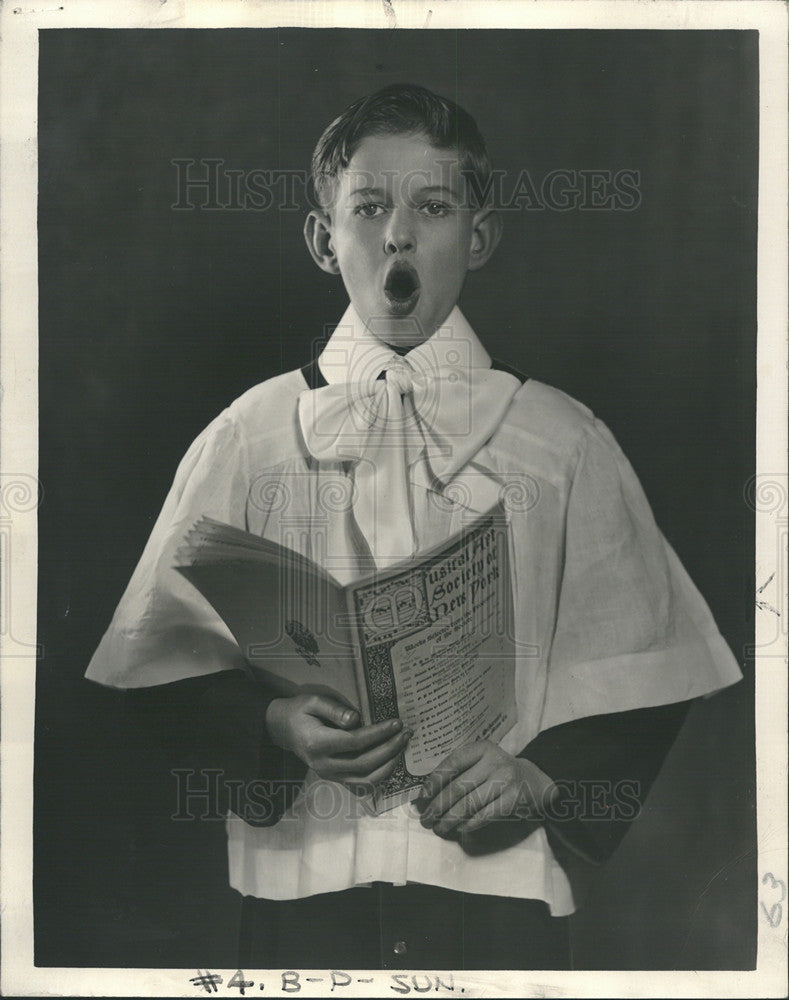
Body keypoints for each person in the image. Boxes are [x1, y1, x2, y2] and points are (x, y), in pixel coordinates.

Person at [85, 83, 742, 970]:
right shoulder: (250, 432)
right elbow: (153, 659)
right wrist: (276, 723)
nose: (398, 234)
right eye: (368, 207)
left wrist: (540, 776)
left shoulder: (560, 440)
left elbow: (651, 663)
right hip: (303, 881)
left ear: (477, 236)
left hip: (492, 887)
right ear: (325, 241)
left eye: (432, 207)